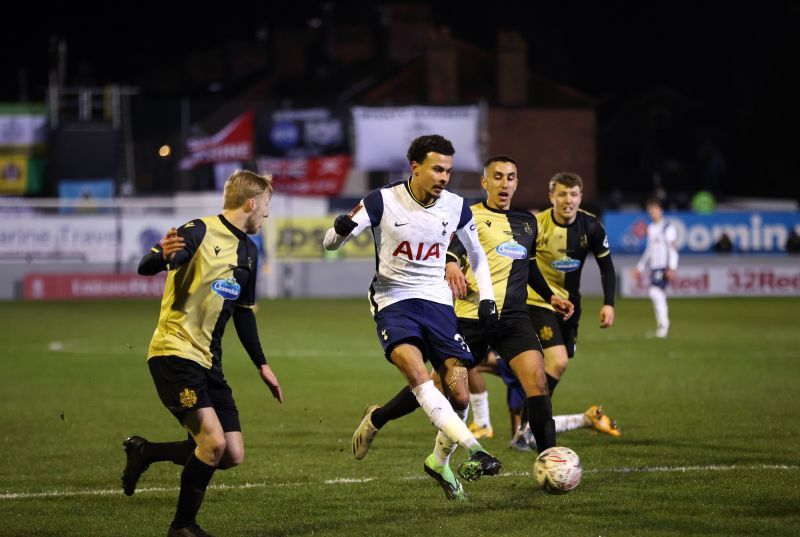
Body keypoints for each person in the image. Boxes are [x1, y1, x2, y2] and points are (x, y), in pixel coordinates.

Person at [348, 155, 574, 500]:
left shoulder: (527, 222)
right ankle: (379, 417)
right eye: (497, 177)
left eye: (511, 177)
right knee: (441, 390)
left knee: (538, 382)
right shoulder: (466, 213)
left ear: (517, 182)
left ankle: (550, 461)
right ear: (485, 183)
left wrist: (551, 296)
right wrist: (452, 265)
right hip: (470, 317)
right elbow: (450, 251)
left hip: (513, 319)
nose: (504, 183)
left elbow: (528, 268)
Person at [323, 136, 505, 500]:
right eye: (437, 169)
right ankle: (477, 450)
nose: (444, 177)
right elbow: (330, 243)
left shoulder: (456, 207)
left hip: (438, 305)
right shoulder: (382, 200)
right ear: (416, 167)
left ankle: (438, 461)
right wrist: (340, 229)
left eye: (449, 171)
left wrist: (486, 298)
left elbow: (478, 255)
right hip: (393, 302)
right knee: (419, 376)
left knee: (459, 392)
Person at [121, 170, 283, 537]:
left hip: (209, 360)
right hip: (174, 352)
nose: (268, 214)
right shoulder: (198, 230)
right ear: (252, 203)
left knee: (231, 453)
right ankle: (182, 527)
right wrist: (164, 256)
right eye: (268, 206)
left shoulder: (249, 251)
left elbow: (243, 313)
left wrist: (262, 365)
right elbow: (146, 266)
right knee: (211, 443)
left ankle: (145, 453)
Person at [462, 171, 620, 447]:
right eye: (561, 194)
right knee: (555, 361)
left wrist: (608, 303)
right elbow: (517, 258)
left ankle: (527, 424)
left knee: (556, 367)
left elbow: (607, 267)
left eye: (573, 194)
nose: (567, 200)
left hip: (569, 305)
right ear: (551, 197)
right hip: (534, 303)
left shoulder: (591, 227)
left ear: (580, 197)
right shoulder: (536, 225)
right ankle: (526, 425)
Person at [635, 197, 679, 338]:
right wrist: (640, 267)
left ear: (660, 210)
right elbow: (649, 250)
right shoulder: (651, 228)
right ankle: (663, 325)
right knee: (657, 293)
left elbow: (672, 248)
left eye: (654, 210)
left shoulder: (667, 227)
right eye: (650, 211)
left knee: (655, 292)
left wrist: (672, 267)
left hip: (663, 266)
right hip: (655, 266)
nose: (652, 213)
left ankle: (664, 326)